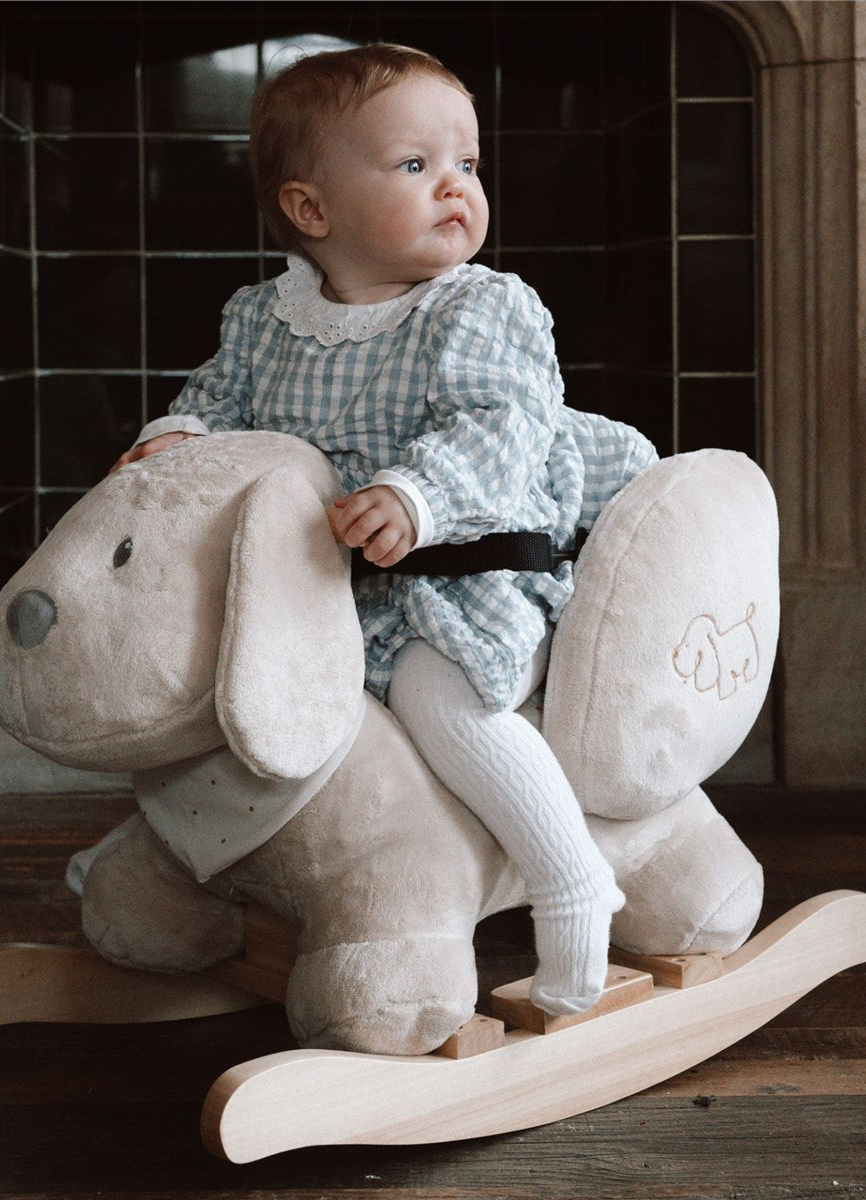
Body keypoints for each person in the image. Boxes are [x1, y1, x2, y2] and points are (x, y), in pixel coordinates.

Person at [114, 44, 657, 1015]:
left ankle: (572, 881)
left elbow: (503, 425)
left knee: (437, 695)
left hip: (463, 578)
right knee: (231, 695)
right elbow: (218, 403)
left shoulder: (482, 307)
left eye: (469, 164)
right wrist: (177, 441)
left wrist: (416, 496)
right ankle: (208, 873)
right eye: (416, 164)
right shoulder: (266, 319)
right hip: (328, 589)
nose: (456, 186)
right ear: (311, 209)